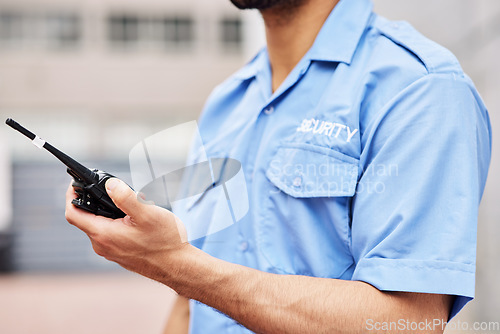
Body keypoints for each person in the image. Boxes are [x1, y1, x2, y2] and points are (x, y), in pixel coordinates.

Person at [65, 0, 492, 333]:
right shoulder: (226, 103)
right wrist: (180, 268)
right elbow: (188, 304)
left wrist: (177, 266)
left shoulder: (420, 89)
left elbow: (410, 324)